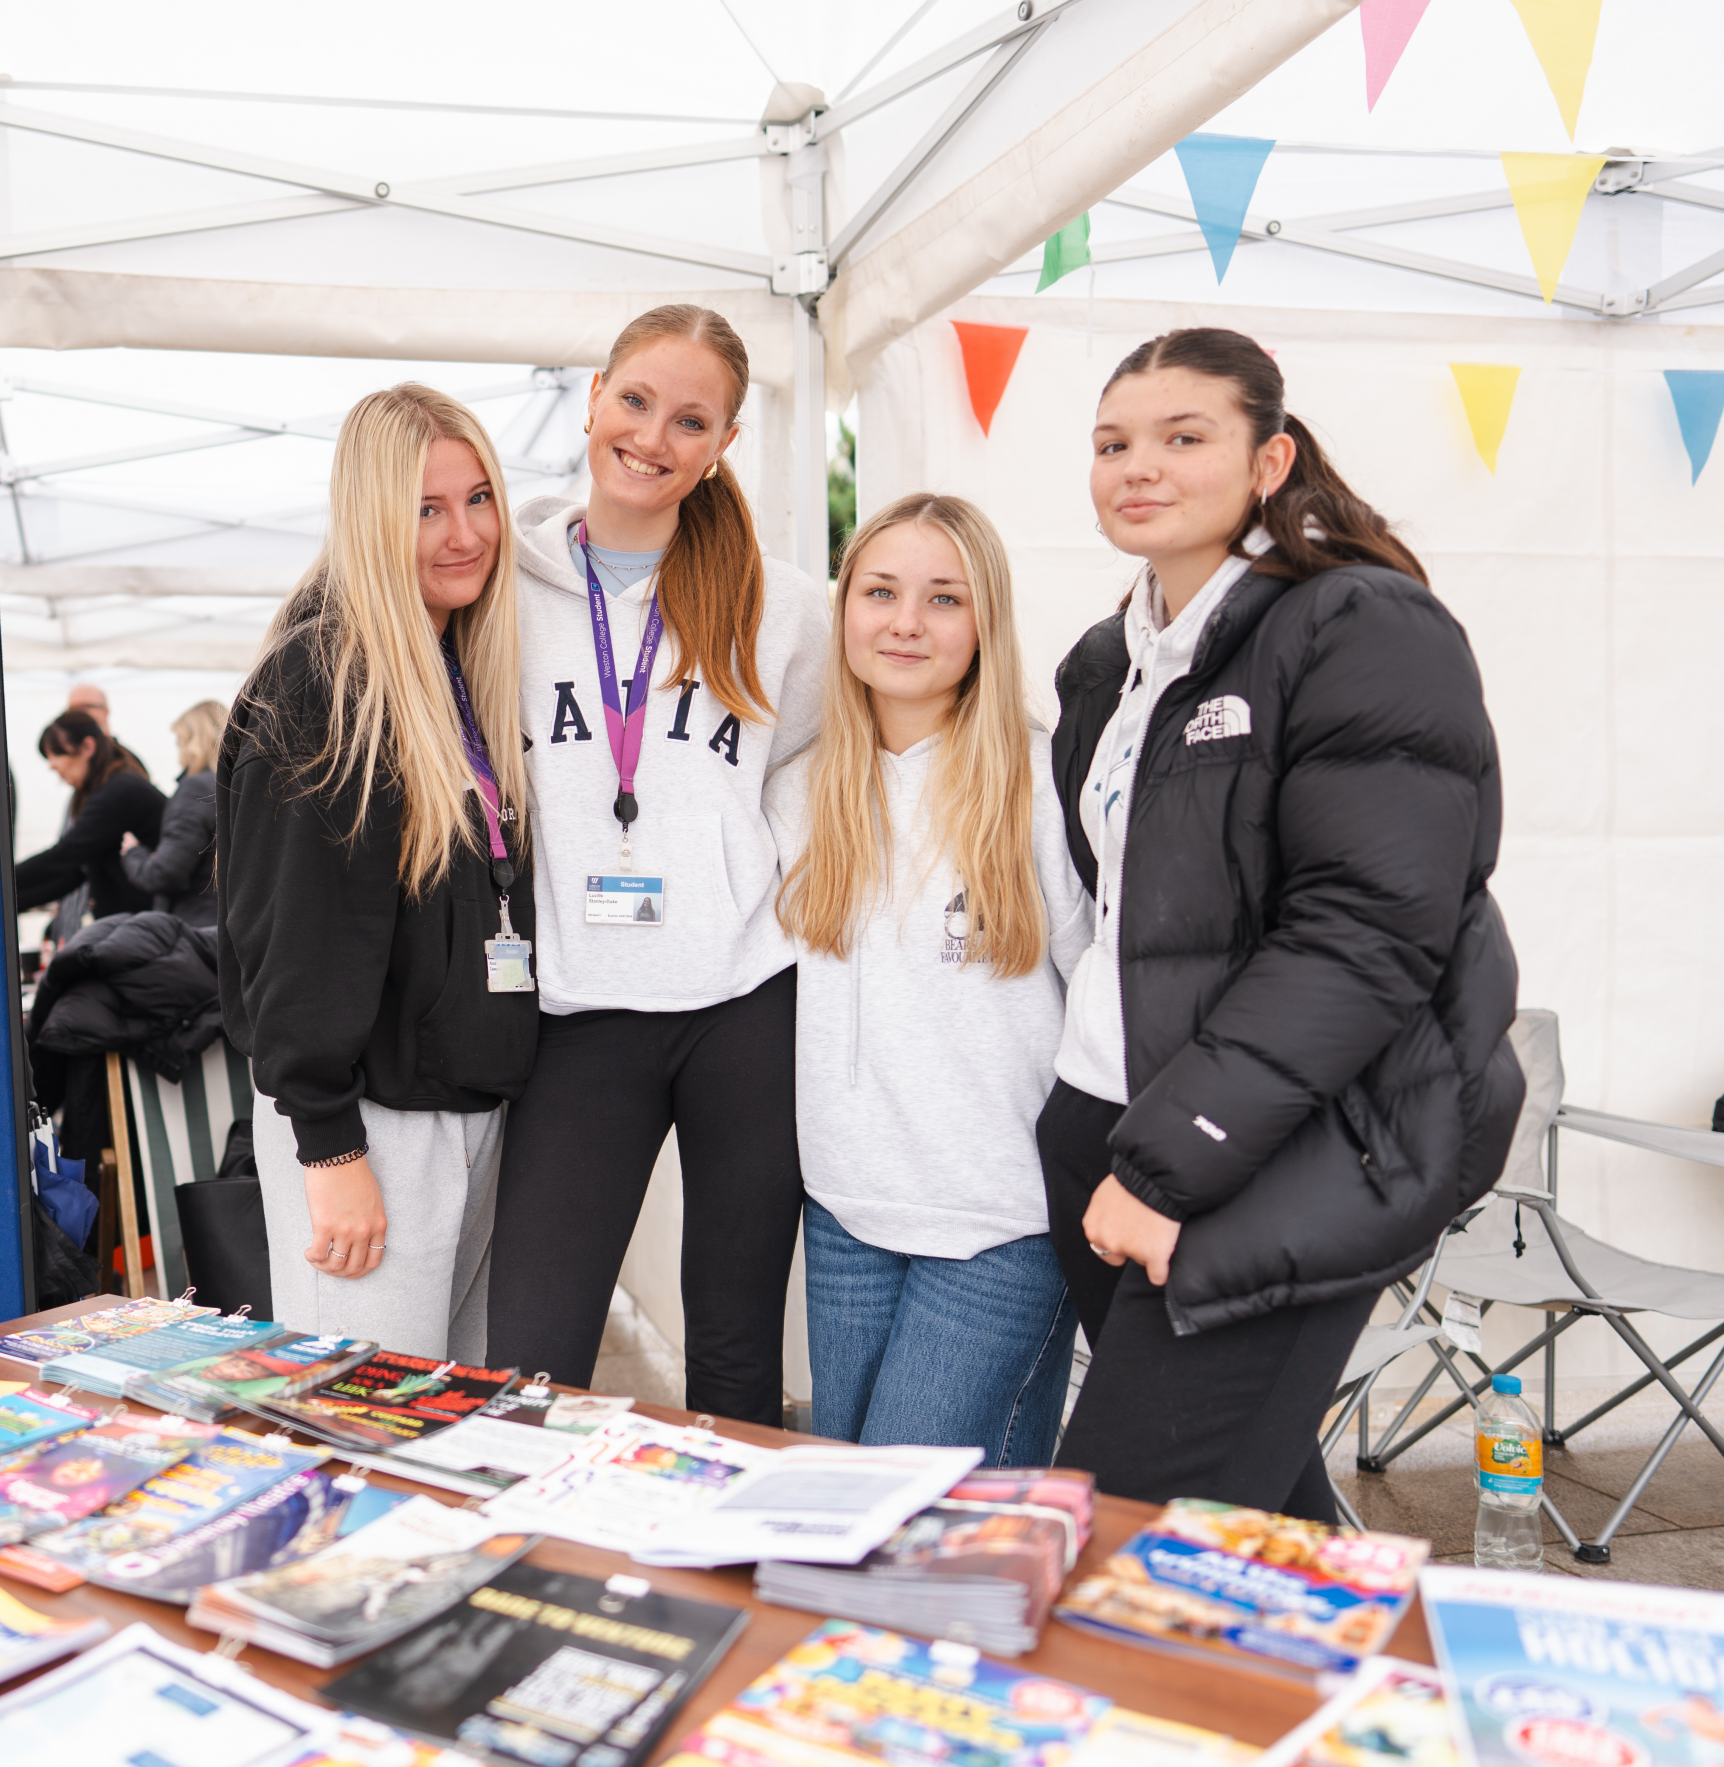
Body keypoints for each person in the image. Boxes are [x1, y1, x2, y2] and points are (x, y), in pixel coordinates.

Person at [1044, 327, 1520, 1519]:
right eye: (1112, 443)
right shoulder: (1108, 666)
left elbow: (1365, 935)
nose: (1136, 466)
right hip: (1110, 1130)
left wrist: (1168, 1165)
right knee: (1249, 1512)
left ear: (1270, 462)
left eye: (1182, 436)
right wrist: (1094, 1139)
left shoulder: (1361, 626)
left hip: (1275, 1154)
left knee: (1122, 1526)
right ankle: (1370, 1703)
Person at [486, 304, 828, 1424]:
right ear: (593, 396)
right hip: (577, 1009)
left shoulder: (783, 607)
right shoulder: (500, 590)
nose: (653, 437)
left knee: (733, 1355)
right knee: (532, 1360)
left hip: (744, 1001)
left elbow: (841, 743)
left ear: (723, 443)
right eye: (635, 401)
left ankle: (725, 1569)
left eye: (692, 420)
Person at [766, 494, 1090, 1465]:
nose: (906, 622)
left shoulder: (1041, 787)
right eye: (880, 592)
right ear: (844, 611)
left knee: (913, 1496)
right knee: (867, 1496)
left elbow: (1111, 1003)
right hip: (844, 1210)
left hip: (1003, 1220)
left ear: (984, 622)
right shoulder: (797, 791)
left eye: (943, 598)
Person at [218, 382, 537, 1363]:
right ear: (369, 519)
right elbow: (300, 936)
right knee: (359, 1437)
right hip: (368, 1132)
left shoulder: (451, 671)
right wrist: (330, 1145)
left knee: (437, 1428)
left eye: (478, 498)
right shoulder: (324, 683)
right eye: (425, 509)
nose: (463, 534)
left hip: (462, 1119)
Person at [14, 710, 167, 921]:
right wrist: (6, 903)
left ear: (88, 747)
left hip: (143, 925)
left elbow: (65, 856)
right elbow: (73, 873)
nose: (52, 765)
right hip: (134, 923)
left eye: (58, 754)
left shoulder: (118, 791)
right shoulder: (113, 786)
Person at [120, 700, 223, 927]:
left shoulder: (196, 789)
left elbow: (164, 875)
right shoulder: (237, 789)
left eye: (180, 742)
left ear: (194, 743)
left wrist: (133, 852)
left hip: (196, 933)